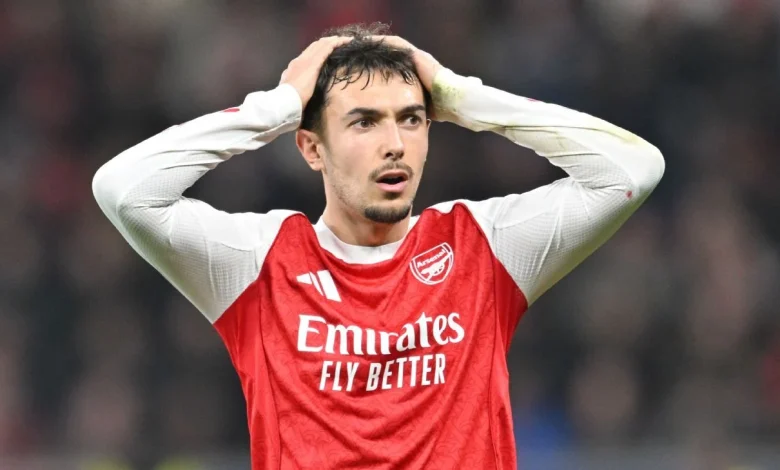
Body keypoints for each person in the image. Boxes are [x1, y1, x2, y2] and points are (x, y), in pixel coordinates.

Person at [92, 22, 664, 470]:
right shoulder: (258, 263)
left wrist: (465, 97)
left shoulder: (483, 246)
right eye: (364, 123)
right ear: (311, 148)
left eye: (411, 120)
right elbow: (123, 191)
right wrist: (274, 108)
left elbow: (632, 171)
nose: (394, 144)